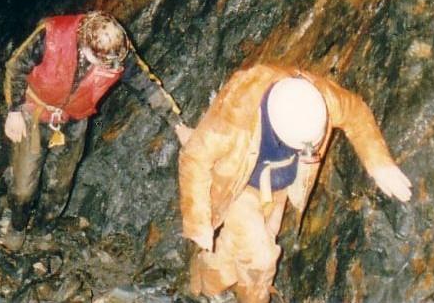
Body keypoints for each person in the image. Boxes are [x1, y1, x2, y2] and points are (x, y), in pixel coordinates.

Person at [177, 64, 414, 303]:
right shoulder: (240, 102)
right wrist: (197, 223)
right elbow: (195, 157)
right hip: (240, 185)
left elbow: (356, 113)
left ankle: (205, 287)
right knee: (261, 259)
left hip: (278, 190)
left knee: (242, 248)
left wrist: (380, 165)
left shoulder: (320, 97)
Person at [0, 11, 190, 235]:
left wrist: (178, 125)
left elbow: (147, 86)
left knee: (59, 185)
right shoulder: (51, 35)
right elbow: (15, 67)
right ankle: (17, 227)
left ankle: (44, 230)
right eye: (102, 63)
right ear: (85, 46)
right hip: (34, 113)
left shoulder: (119, 53)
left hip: (72, 121)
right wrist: (14, 111)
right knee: (23, 187)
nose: (109, 69)